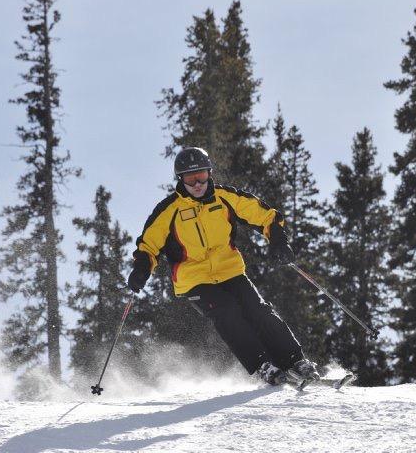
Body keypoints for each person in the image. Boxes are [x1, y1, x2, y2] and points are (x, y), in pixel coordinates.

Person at [127, 147, 319, 385]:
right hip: (194, 279)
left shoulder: (225, 197)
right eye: (190, 179)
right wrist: (141, 269)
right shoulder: (169, 210)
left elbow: (265, 215)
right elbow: (148, 244)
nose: (197, 184)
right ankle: (263, 365)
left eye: (201, 176)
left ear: (209, 173)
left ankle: (295, 360)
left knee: (258, 310)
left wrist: (278, 240)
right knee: (227, 311)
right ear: (181, 179)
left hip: (230, 270)